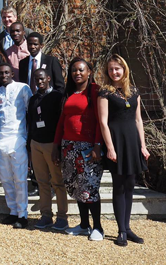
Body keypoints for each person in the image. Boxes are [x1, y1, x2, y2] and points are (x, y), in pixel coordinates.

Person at [98, 55, 149, 247]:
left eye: (117, 69)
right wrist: (110, 148)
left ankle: (127, 228)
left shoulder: (134, 92)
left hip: (132, 143)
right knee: (118, 186)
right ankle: (120, 231)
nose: (114, 72)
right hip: (116, 143)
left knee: (130, 185)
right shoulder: (105, 93)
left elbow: (138, 120)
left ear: (124, 69)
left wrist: (143, 146)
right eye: (111, 69)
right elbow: (103, 122)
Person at [52, 58, 104, 241]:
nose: (77, 73)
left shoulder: (96, 91)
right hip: (69, 146)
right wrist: (56, 146)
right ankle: (84, 225)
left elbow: (100, 121)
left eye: (81, 70)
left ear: (89, 71)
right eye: (74, 70)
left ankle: (98, 227)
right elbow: (61, 122)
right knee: (76, 186)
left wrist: (98, 145)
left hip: (88, 148)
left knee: (89, 187)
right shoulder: (68, 93)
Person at [27, 69, 69, 231]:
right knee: (42, 182)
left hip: (52, 144)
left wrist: (58, 146)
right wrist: (29, 145)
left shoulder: (57, 97)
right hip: (36, 143)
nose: (39, 81)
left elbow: (61, 122)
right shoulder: (33, 99)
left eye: (42, 78)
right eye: (37, 79)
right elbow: (30, 122)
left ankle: (62, 217)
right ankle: (46, 215)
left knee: (57, 182)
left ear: (49, 78)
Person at [0, 63, 32, 229]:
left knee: (20, 178)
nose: (4, 76)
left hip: (18, 138)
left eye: (7, 72)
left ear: (12, 74)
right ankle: (13, 211)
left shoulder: (23, 88)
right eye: (0, 73)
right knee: (6, 178)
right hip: (1, 139)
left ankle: (23, 214)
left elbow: (30, 111)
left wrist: (27, 138)